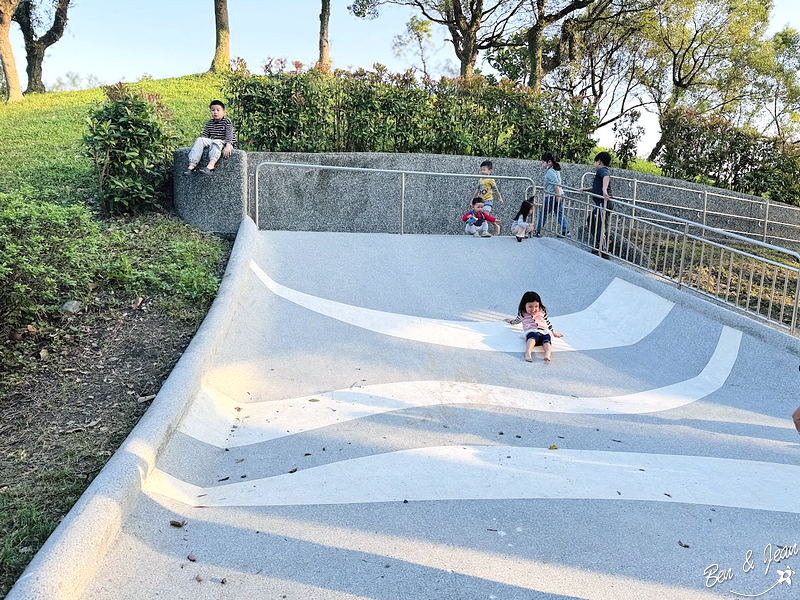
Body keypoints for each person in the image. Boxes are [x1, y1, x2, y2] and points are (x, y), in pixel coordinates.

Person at [504, 291, 563, 362]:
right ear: (524, 306)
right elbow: (517, 321)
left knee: (547, 341)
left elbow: (548, 322)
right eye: (530, 307)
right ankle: (528, 353)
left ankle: (547, 355)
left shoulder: (542, 311)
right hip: (531, 330)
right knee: (532, 338)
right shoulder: (522, 313)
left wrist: (553, 332)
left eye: (536, 306)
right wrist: (510, 321)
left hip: (544, 330)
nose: (533, 309)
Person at [183, 100, 237, 176]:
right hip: (214, 141)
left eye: (218, 110)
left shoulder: (226, 121)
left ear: (224, 112)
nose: (215, 112)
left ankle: (210, 167)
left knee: (217, 142)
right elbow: (204, 135)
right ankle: (192, 166)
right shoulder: (209, 122)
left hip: (226, 142)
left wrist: (228, 146)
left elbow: (229, 134)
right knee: (200, 140)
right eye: (213, 110)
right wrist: (199, 143)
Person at [579, 151, 614, 256]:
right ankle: (599, 243)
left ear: (599, 162)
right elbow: (595, 188)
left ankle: (604, 249)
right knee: (591, 220)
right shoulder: (600, 172)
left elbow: (606, 177)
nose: (594, 164)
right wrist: (585, 189)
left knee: (601, 225)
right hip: (600, 203)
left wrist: (604, 191)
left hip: (604, 203)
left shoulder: (602, 171)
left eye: (595, 162)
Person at [535, 152, 569, 238]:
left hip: (551, 196)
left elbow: (556, 184)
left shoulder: (550, 171)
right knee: (560, 214)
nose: (542, 164)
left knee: (543, 213)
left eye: (543, 162)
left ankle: (538, 231)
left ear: (549, 162)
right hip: (560, 194)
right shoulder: (555, 170)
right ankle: (565, 231)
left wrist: (557, 196)